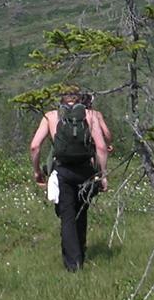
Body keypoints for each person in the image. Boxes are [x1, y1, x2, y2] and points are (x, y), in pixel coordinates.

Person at [29, 90, 109, 271]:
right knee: (82, 212)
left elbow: (35, 146)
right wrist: (103, 175)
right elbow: (102, 148)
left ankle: (73, 264)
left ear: (61, 102)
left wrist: (37, 172)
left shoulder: (50, 116)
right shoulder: (90, 116)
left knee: (67, 217)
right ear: (80, 102)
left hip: (62, 171)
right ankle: (81, 251)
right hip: (86, 171)